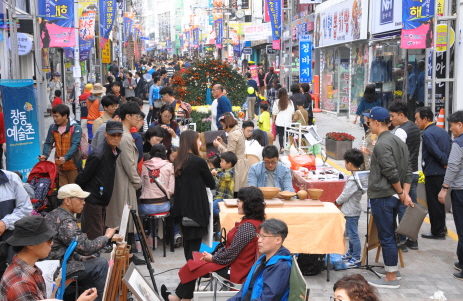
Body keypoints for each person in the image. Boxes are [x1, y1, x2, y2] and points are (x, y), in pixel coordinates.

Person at [161, 186, 266, 301]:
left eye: (240, 201)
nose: (237, 203)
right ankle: (179, 298)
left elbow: (231, 253)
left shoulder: (248, 226)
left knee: (194, 265)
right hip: (237, 263)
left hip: (237, 269)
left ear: (248, 204)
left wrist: (213, 258)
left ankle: (178, 298)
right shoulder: (254, 222)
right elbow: (232, 251)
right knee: (195, 262)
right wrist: (213, 256)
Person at [362, 106, 413, 289]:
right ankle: (392, 269)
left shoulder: (382, 144)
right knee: (390, 234)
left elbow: (390, 171)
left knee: (386, 236)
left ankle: (391, 277)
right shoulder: (397, 140)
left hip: (384, 195)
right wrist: (404, 193)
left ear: (376, 122)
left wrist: (401, 193)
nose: (367, 124)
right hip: (393, 194)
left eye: (369, 121)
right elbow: (408, 168)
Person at [44, 184, 118, 301]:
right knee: (101, 263)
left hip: (55, 262)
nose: (84, 202)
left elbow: (65, 247)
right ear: (67, 200)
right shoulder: (65, 221)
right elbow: (86, 247)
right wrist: (107, 236)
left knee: (94, 259)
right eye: (81, 199)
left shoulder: (54, 214)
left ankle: (87, 296)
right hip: (57, 268)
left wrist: (80, 258)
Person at [0, 215, 98, 301]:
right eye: (48, 239)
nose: (52, 243)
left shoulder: (28, 269)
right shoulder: (21, 283)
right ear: (30, 244)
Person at [105, 103, 144, 265]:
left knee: (124, 221)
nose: (139, 119)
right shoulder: (125, 137)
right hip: (124, 183)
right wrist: (138, 184)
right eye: (137, 116)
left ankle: (126, 255)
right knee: (123, 221)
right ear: (128, 116)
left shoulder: (124, 134)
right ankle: (124, 256)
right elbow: (129, 165)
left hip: (122, 182)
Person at [172, 130, 216, 261]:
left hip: (181, 208)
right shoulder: (199, 161)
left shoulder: (178, 161)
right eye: (198, 140)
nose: (200, 142)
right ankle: (191, 275)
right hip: (196, 208)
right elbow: (211, 184)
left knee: (188, 242)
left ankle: (189, 271)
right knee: (195, 245)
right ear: (192, 142)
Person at [75, 121, 123, 240]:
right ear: (106, 134)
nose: (116, 138)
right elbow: (83, 176)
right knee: (95, 235)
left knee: (99, 232)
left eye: (118, 135)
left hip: (101, 198)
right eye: (113, 135)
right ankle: (95, 257)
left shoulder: (112, 151)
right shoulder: (99, 154)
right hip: (93, 199)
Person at [227, 218, 292, 301]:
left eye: (263, 236)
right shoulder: (263, 260)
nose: (259, 240)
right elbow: (245, 290)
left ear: (278, 240)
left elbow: (268, 298)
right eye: (259, 236)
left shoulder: (280, 266)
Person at [389, 101, 421, 251]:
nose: (391, 119)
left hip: (404, 174)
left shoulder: (401, 131)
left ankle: (401, 240)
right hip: (414, 171)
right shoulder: (414, 127)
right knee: (412, 206)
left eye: (393, 116)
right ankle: (413, 239)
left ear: (401, 115)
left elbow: (397, 153)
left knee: (403, 207)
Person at [415, 106, 451, 239]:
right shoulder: (442, 131)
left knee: (434, 203)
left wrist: (444, 161)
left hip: (433, 172)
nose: (416, 122)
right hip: (441, 173)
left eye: (417, 119)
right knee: (440, 202)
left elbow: (434, 151)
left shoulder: (427, 134)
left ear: (425, 119)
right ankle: (442, 228)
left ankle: (437, 231)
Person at [438, 111, 463, 280]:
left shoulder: (458, 143)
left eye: (452, 125)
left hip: (460, 191)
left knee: (461, 230)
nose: (451, 129)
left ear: (460, 125)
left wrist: (444, 188)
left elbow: (453, 166)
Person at [336, 149, 365, 267]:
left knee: (353, 235)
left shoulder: (354, 179)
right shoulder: (359, 176)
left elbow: (345, 194)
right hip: (353, 209)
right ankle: (351, 253)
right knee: (351, 233)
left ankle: (356, 257)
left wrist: (336, 202)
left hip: (351, 211)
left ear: (350, 164)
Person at [40, 104, 82, 187]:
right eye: (53, 116)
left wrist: (66, 157)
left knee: (74, 191)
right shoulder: (53, 128)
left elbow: (75, 145)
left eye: (57, 116)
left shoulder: (75, 128)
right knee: (63, 193)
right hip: (59, 166)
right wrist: (45, 155)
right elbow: (49, 143)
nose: (55, 119)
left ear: (65, 116)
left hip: (73, 166)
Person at [214, 113, 250, 196]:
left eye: (223, 125)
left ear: (227, 124)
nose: (223, 128)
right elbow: (233, 149)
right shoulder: (238, 131)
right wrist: (222, 143)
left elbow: (230, 155)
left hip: (236, 164)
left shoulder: (233, 134)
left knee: (236, 193)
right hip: (241, 163)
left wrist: (219, 146)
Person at [211, 152, 237, 220]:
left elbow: (224, 176)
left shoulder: (231, 173)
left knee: (213, 208)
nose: (220, 163)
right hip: (219, 196)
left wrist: (215, 173)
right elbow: (216, 169)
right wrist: (213, 170)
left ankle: (226, 216)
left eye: (222, 161)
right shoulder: (222, 170)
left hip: (225, 197)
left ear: (229, 164)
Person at [272, 88, 295, 153]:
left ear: (279, 94)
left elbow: (274, 112)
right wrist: (292, 120)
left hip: (280, 122)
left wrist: (273, 121)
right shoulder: (290, 102)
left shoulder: (277, 101)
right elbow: (293, 112)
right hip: (288, 122)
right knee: (288, 135)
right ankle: (288, 146)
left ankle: (281, 147)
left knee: (281, 135)